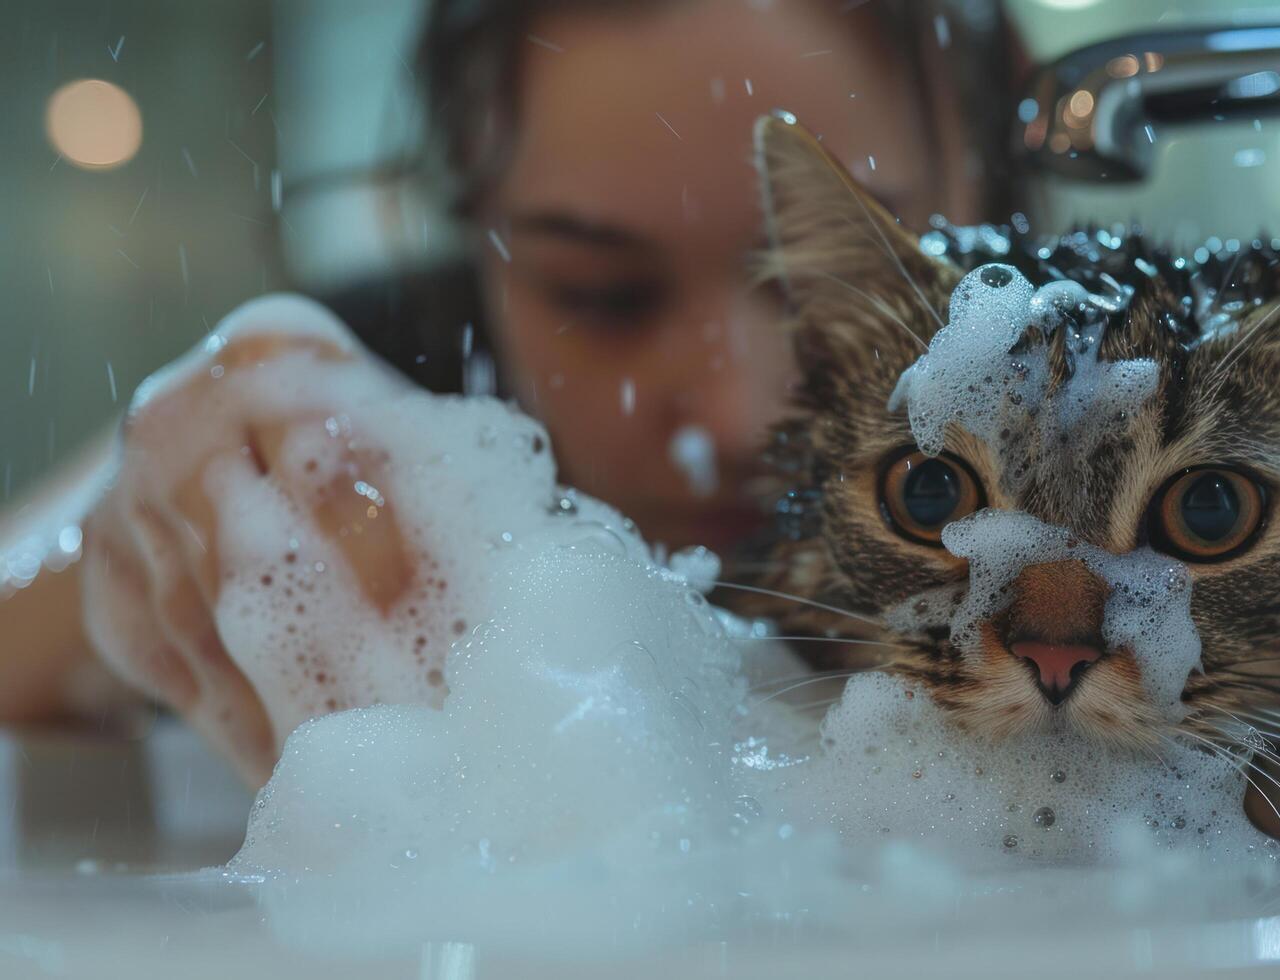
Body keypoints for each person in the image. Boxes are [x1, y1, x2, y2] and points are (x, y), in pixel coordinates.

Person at [0, 0, 1013, 781]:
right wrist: (142, 573)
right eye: (603, 295)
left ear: (985, 190)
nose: (734, 417)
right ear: (476, 238)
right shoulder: (379, 382)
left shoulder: (1120, 385)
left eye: (833, 273)